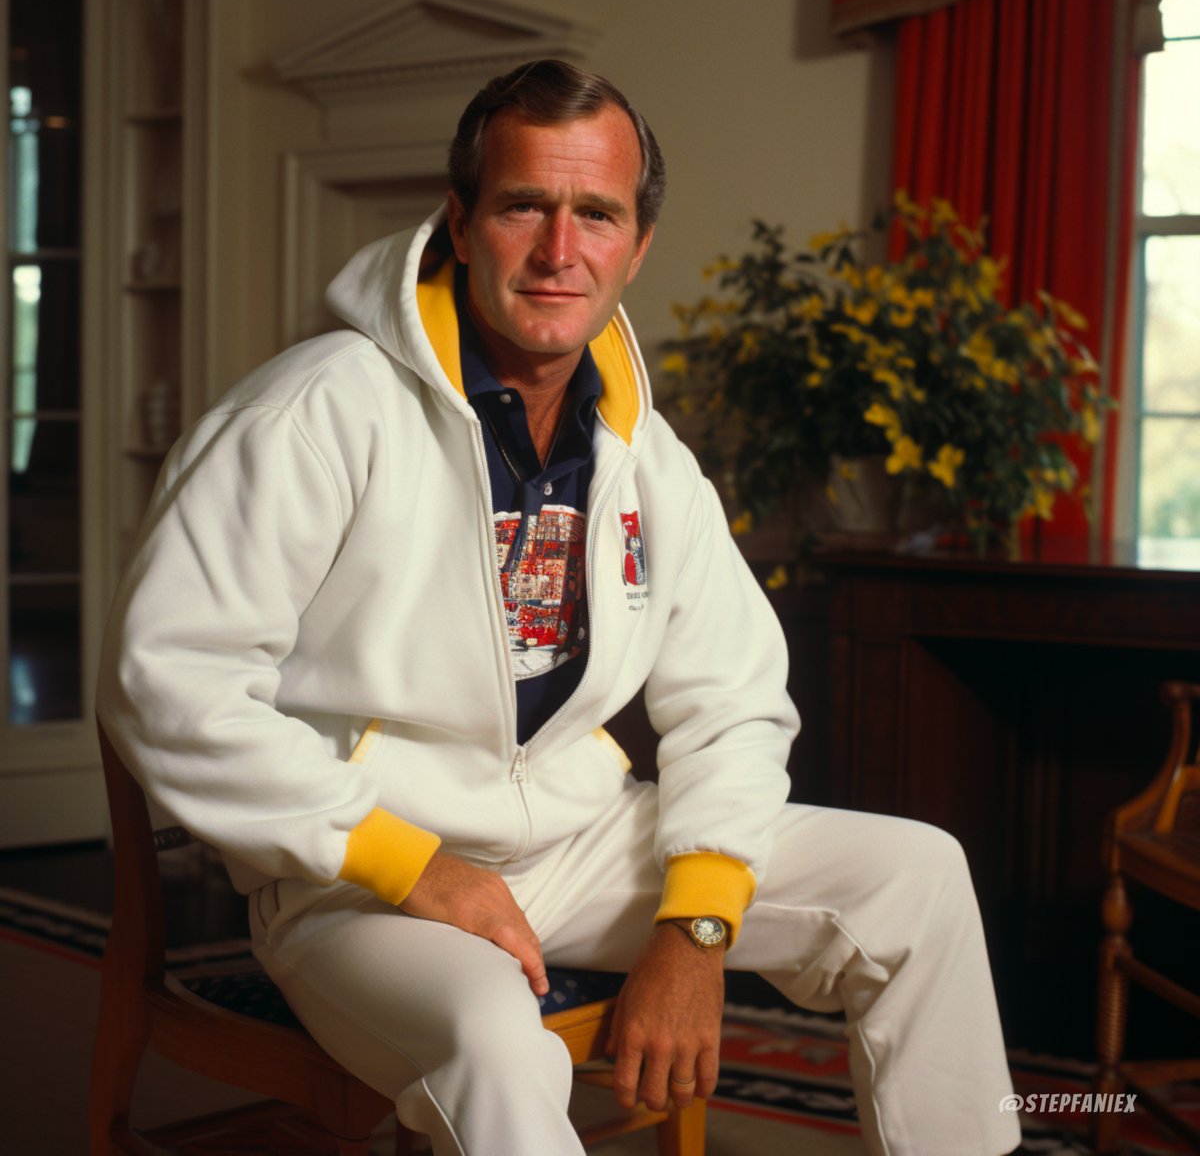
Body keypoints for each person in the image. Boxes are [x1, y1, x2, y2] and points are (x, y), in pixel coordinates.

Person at [97, 59, 1021, 1156]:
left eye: (597, 214)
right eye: (524, 205)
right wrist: (410, 863)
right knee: (495, 1036)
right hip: (355, 881)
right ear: (460, 222)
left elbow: (733, 699)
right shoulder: (314, 413)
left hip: (577, 844)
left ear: (638, 244)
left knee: (917, 877)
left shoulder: (646, 456)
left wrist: (698, 924)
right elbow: (168, 682)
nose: (559, 249)